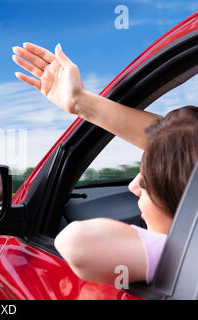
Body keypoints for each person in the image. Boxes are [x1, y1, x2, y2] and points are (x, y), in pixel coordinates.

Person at [12, 42, 198, 285]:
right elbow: (180, 148)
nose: (133, 187)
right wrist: (79, 102)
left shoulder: (183, 258)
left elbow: (76, 241)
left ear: (185, 199)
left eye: (146, 180)